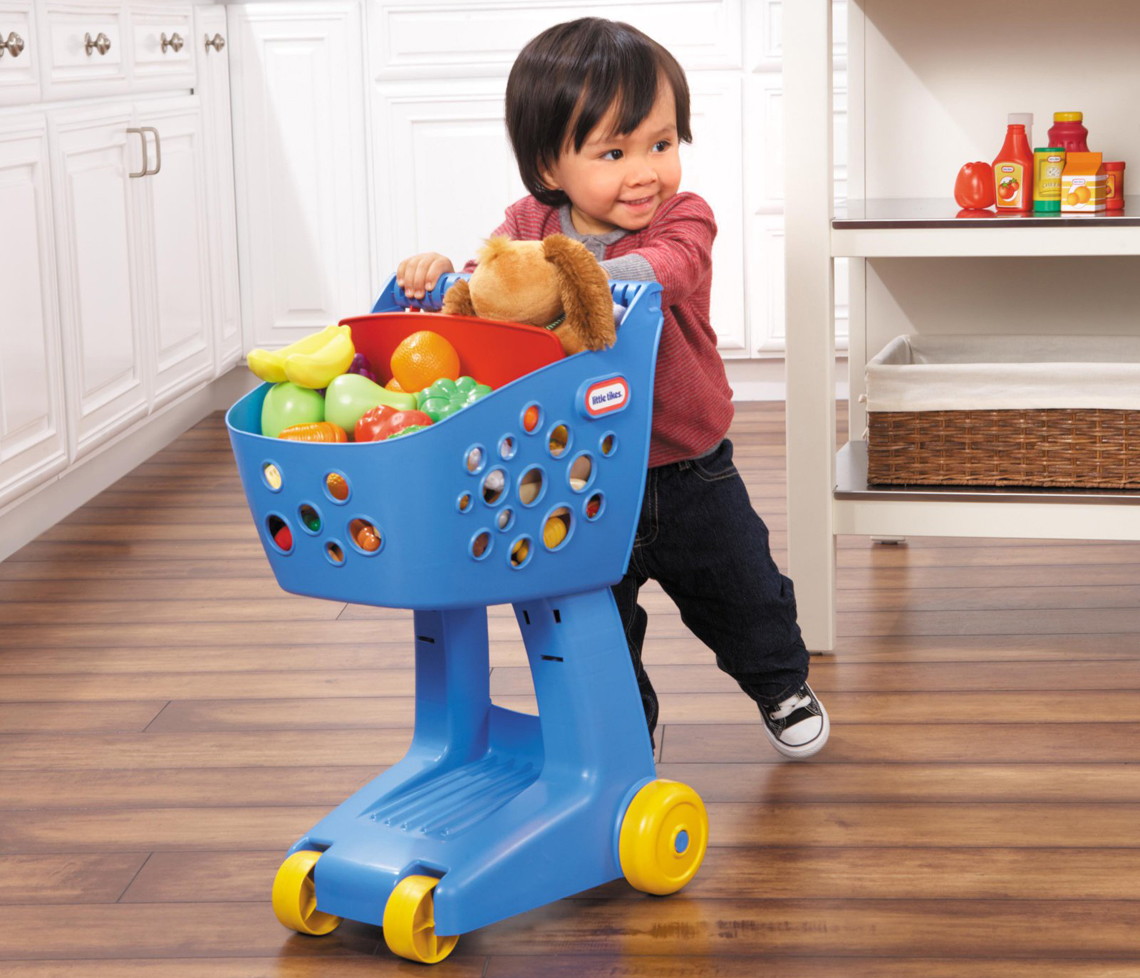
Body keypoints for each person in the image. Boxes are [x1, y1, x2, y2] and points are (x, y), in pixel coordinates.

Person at [398, 17, 828, 759]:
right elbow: (494, 291)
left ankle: (780, 683)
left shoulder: (681, 219)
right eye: (614, 152)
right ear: (549, 166)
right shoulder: (527, 224)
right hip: (578, 470)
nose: (645, 172)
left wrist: (569, 275)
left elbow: (670, 271)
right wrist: (445, 276)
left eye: (662, 145)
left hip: (691, 469)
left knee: (743, 593)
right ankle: (628, 728)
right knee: (595, 621)